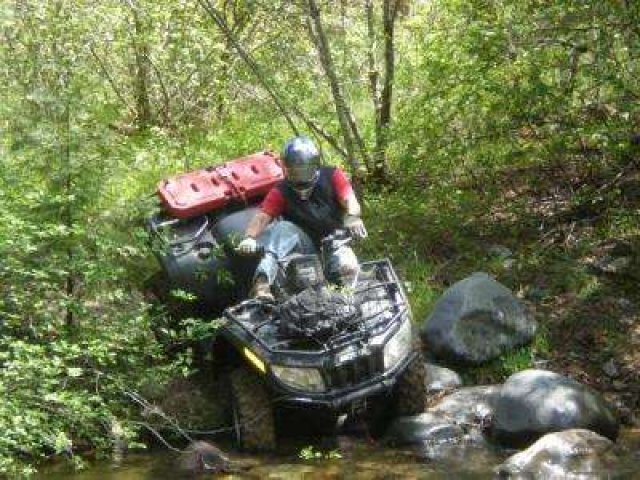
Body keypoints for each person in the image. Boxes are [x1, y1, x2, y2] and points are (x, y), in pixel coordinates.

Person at [236, 135, 367, 300]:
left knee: (348, 268)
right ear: (286, 169)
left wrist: (352, 217)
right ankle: (261, 284)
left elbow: (350, 200)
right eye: (294, 172)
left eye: (304, 171)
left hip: (336, 241)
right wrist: (249, 238)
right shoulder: (281, 190)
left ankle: (347, 305)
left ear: (315, 166)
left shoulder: (332, 175)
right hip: (304, 247)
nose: (300, 178)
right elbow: (262, 217)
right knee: (283, 228)